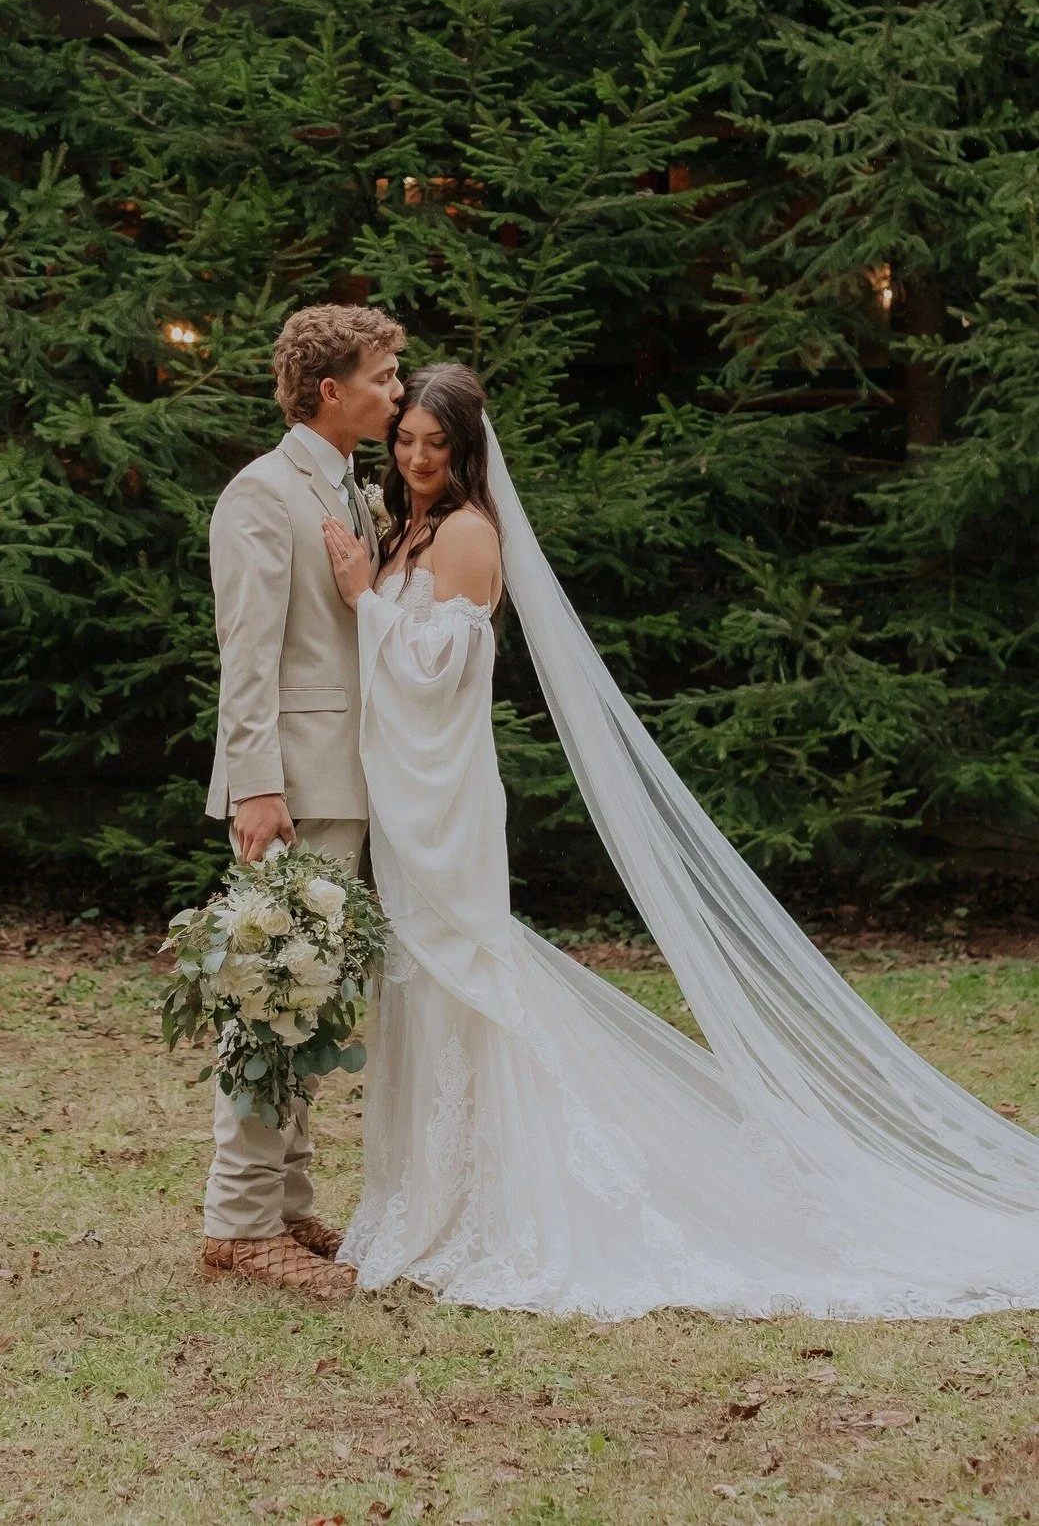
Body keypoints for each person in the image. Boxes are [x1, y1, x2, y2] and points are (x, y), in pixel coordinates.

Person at [320, 360, 1039, 1319]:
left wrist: (365, 601)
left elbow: (441, 677)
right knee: (431, 972)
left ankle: (502, 1202)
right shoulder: (409, 525)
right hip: (410, 792)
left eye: (433, 444)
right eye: (405, 439)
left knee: (471, 969)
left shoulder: (466, 532)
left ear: (467, 451)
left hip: (443, 791)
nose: (413, 456)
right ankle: (434, 1194)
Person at [201, 303, 405, 1298]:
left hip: (344, 775)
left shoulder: (347, 488)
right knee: (268, 996)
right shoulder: (259, 496)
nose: (395, 393)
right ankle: (239, 1220)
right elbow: (247, 653)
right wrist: (255, 785)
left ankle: (282, 1205)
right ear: (329, 390)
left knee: (309, 998)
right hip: (290, 785)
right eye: (380, 376)